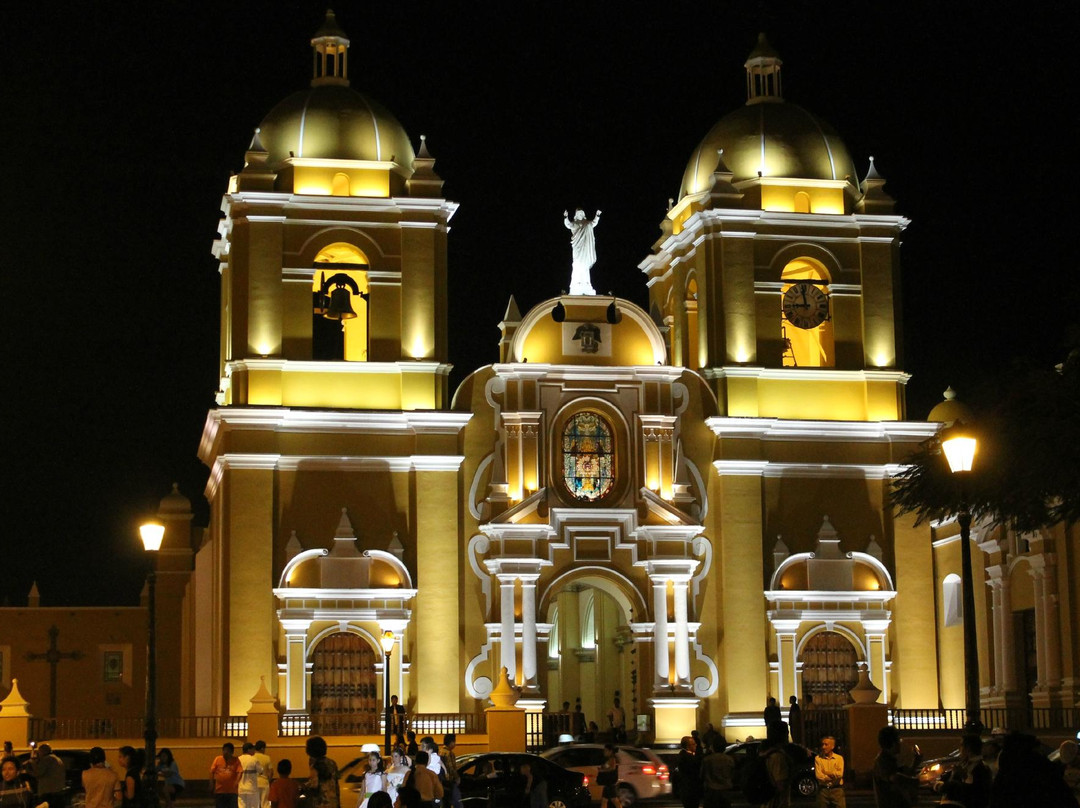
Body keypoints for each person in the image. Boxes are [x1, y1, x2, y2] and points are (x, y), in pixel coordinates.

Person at [871, 726, 919, 808]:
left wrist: (915, 762)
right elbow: (895, 777)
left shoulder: (890, 760)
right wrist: (915, 781)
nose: (900, 744)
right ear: (893, 743)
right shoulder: (882, 760)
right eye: (899, 741)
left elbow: (903, 773)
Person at [563, 208, 601, 295]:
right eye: (578, 213)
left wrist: (597, 216)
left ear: (583, 214)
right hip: (577, 247)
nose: (580, 214)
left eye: (581, 213)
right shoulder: (574, 223)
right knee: (577, 265)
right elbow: (568, 224)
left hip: (585, 248)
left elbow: (594, 223)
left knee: (585, 266)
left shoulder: (587, 223)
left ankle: (586, 283)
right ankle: (576, 284)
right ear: (576, 215)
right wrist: (565, 217)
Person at [761, 721, 791, 808]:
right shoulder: (778, 757)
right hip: (776, 803)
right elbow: (780, 785)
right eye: (787, 732)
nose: (788, 735)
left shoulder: (766, 753)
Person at [304, 737, 339, 808]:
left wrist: (305, 788)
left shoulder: (315, 765)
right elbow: (336, 784)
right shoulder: (332, 763)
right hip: (333, 802)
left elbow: (314, 786)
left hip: (322, 803)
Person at [701, 736, 735, 808]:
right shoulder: (729, 759)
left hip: (711, 791)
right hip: (725, 791)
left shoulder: (707, 759)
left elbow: (702, 775)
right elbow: (732, 774)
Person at [27, 744, 64, 808]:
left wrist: (31, 766)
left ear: (43, 751)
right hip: (57, 791)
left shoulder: (47, 759)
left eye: (39, 752)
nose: (39, 754)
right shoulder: (57, 759)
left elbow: (38, 772)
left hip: (47, 792)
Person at [815, 736, 845, 808]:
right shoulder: (818, 758)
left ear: (832, 746)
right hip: (823, 791)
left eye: (826, 744)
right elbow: (819, 776)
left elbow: (840, 774)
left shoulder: (839, 758)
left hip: (837, 790)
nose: (823, 747)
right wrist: (833, 776)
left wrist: (827, 773)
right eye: (822, 744)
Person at [211, 743, 243, 808]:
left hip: (232, 791)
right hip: (220, 790)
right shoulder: (218, 759)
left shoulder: (236, 760)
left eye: (228, 751)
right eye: (224, 750)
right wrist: (211, 783)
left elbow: (240, 771)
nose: (225, 752)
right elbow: (212, 771)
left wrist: (236, 782)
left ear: (232, 752)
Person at [674, 735, 701, 808]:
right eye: (693, 744)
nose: (696, 745)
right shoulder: (687, 757)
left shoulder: (685, 755)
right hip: (689, 789)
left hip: (688, 789)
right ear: (687, 746)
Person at [237, 743, 263, 808]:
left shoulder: (238, 759)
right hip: (252, 788)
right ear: (249, 750)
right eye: (253, 749)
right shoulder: (254, 759)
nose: (254, 751)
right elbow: (261, 771)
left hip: (240, 788)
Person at [441, 735, 461, 808]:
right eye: (454, 742)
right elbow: (452, 768)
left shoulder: (440, 752)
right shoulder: (449, 753)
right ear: (451, 742)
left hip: (442, 780)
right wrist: (457, 778)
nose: (455, 744)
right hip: (449, 781)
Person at [597, 744, 619, 808]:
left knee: (614, 800)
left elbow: (612, 768)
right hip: (607, 783)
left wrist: (602, 770)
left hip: (610, 783)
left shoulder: (612, 759)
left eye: (606, 750)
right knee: (604, 800)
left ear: (610, 751)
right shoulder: (608, 759)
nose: (604, 752)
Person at [253, 742, 272, 808]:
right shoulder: (267, 758)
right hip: (264, 782)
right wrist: (268, 780)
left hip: (254, 783)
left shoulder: (252, 757)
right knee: (265, 803)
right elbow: (271, 771)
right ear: (262, 748)